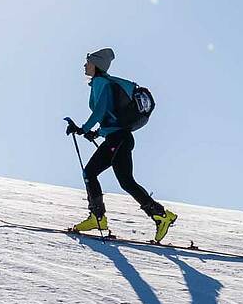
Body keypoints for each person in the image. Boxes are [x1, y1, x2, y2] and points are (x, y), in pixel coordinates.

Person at [66, 48, 176, 242]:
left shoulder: (102, 83)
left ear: (96, 65)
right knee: (126, 182)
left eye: (88, 62)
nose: (85, 65)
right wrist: (96, 132)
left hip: (118, 140)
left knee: (90, 173)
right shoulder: (102, 84)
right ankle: (161, 215)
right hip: (118, 138)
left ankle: (98, 218)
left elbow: (100, 112)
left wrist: (83, 128)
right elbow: (111, 117)